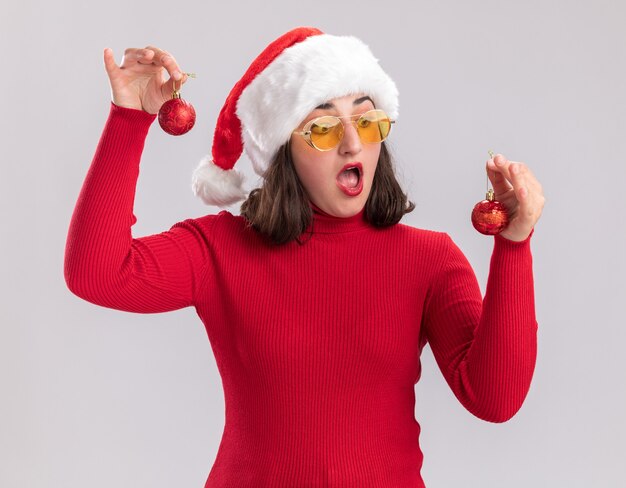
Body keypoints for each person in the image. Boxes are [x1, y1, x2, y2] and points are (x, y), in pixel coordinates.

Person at [64, 26, 545, 488]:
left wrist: (514, 245)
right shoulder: (219, 249)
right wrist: (130, 118)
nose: (353, 143)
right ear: (282, 150)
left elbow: (494, 398)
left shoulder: (430, 260)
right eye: (322, 128)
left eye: (367, 120)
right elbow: (97, 274)